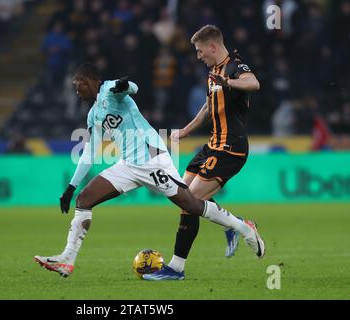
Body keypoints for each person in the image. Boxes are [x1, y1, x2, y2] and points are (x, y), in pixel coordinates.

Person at [34, 63, 264, 279]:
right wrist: (71, 187)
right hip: (128, 165)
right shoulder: (94, 113)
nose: (77, 91)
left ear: (89, 80)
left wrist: (125, 85)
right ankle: (67, 259)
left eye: (78, 85)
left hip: (152, 159)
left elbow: (131, 88)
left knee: (191, 205)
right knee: (84, 199)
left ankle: (243, 228)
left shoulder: (111, 89)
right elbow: (90, 151)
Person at [145, 25, 261, 281]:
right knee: (179, 195)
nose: (198, 56)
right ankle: (231, 224)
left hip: (231, 148)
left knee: (192, 200)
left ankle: (178, 267)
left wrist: (228, 82)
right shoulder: (213, 73)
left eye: (199, 51)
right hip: (212, 145)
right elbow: (209, 107)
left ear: (212, 46)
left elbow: (254, 84)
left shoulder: (234, 67)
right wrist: (185, 130)